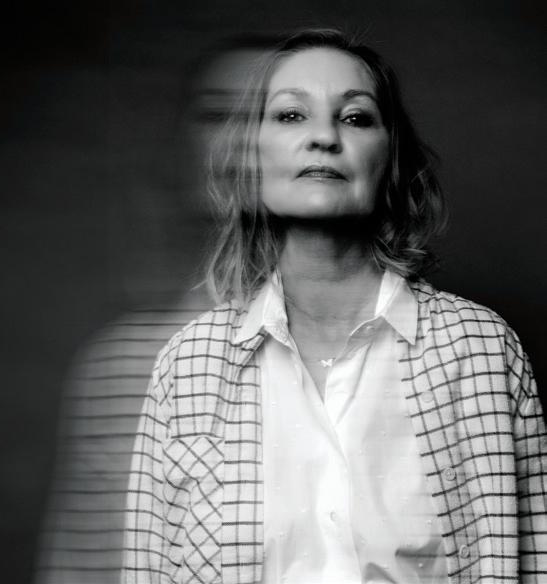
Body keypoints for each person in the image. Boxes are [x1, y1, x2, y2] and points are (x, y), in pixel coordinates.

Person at [121, 29, 547, 583]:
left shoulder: (480, 349)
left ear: (391, 158)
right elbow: (145, 570)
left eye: (355, 117)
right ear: (253, 155)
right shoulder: (187, 364)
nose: (323, 137)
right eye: (291, 115)